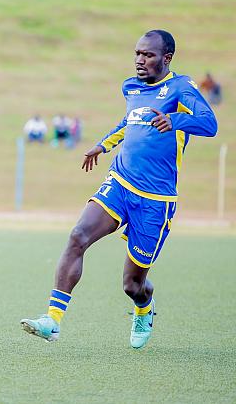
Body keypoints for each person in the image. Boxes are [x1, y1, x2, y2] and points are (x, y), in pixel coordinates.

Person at [20, 30, 217, 349]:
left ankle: (144, 306)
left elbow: (210, 123)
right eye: (137, 53)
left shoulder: (181, 88)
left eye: (148, 55)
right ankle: (52, 321)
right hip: (120, 182)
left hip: (156, 200)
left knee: (132, 284)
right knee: (78, 236)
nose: (140, 60)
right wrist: (103, 145)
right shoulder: (131, 87)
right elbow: (129, 121)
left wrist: (175, 121)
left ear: (167, 58)